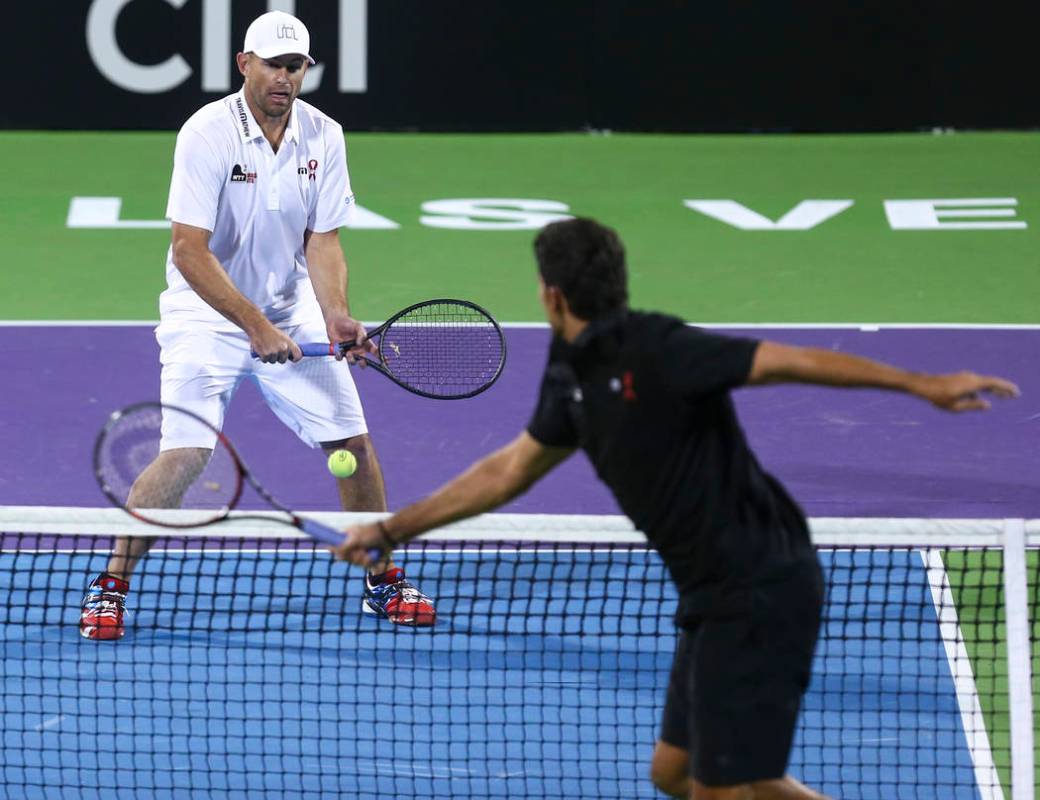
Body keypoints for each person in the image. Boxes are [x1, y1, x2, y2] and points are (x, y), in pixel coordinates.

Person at [332, 217, 1019, 800]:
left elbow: (789, 361)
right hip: (713, 590)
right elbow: (509, 471)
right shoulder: (571, 374)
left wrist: (921, 383)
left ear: (551, 296)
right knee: (675, 771)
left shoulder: (661, 348)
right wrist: (393, 529)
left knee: (722, 785)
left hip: (758, 582)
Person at [80, 10, 435, 640]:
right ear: (244, 64)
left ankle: (381, 578)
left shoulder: (325, 136)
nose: (284, 77)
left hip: (288, 304)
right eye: (273, 63)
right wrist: (251, 326)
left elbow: (322, 241)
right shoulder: (206, 132)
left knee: (353, 445)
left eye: (295, 65)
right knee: (186, 453)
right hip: (205, 309)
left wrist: (335, 314)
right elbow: (190, 250)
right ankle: (111, 584)